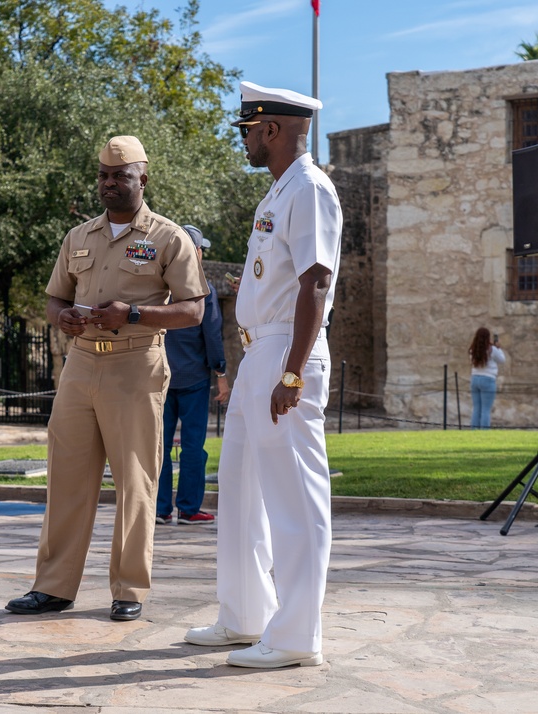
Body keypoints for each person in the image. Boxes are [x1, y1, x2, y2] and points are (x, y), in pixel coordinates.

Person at [5, 136, 209, 622]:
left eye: (119, 175)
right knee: (67, 478)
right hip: (80, 365)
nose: (108, 183)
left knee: (136, 481)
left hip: (135, 365)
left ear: (143, 179)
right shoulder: (78, 237)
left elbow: (194, 310)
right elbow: (56, 298)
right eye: (102, 175)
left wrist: (134, 313)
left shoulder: (168, 237)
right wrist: (62, 319)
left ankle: (129, 590)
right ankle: (53, 587)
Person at [185, 83, 343, 669]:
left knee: (295, 500)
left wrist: (294, 374)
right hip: (259, 353)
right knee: (242, 494)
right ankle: (244, 616)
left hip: (286, 354)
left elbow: (316, 282)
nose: (246, 140)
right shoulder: (279, 191)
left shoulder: (310, 189)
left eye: (248, 130)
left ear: (271, 130)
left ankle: (298, 636)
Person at [156, 225, 230, 526]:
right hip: (194, 380)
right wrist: (221, 372)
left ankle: (158, 509)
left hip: (159, 376)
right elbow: (212, 334)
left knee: (157, 447)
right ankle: (188, 508)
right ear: (196, 252)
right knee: (192, 447)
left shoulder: (158, 287)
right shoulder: (203, 289)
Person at [469, 327, 506, 429]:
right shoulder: (492, 350)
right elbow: (502, 360)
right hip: (488, 379)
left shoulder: (473, 349)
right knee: (486, 409)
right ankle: (484, 432)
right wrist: (499, 348)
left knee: (476, 408)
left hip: (475, 378)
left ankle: (473, 431)